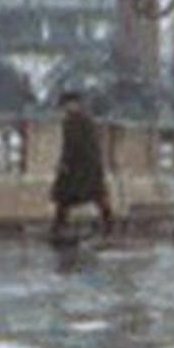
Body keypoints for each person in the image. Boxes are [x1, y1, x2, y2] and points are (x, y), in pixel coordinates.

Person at [48, 86, 116, 242]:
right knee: (68, 196)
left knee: (82, 195)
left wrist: (65, 162)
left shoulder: (79, 121)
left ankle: (107, 223)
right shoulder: (79, 121)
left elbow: (74, 145)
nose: (66, 108)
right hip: (83, 165)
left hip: (82, 166)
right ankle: (59, 224)